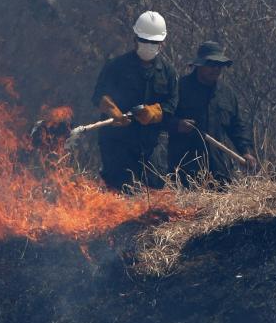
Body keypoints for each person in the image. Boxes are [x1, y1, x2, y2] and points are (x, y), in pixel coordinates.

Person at [91, 11, 179, 191]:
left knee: (155, 191)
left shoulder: (168, 72)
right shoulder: (116, 67)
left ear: (162, 43)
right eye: (144, 40)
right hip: (117, 143)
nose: (148, 45)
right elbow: (99, 95)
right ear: (135, 39)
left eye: (153, 42)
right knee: (120, 191)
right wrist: (112, 111)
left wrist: (155, 112)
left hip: (149, 144)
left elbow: (173, 102)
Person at [168, 41, 257, 185]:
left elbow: (237, 127)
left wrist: (246, 151)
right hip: (184, 170)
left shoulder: (227, 94)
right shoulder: (179, 89)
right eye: (210, 64)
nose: (215, 69)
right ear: (199, 65)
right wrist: (177, 124)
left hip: (218, 170)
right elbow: (161, 118)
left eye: (219, 65)